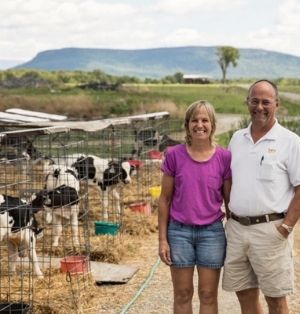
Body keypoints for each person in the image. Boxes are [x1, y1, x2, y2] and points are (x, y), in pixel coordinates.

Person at [222, 79, 300, 314]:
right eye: (254, 101)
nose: (259, 107)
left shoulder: (291, 142)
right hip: (237, 228)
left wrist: (286, 227)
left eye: (266, 102)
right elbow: (230, 181)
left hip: (271, 230)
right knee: (244, 293)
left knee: (275, 298)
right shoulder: (237, 138)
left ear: (277, 103)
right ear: (247, 102)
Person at [158, 100, 231, 314]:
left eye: (205, 120)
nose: (200, 125)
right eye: (195, 120)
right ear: (187, 125)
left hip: (212, 233)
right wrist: (163, 239)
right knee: (182, 294)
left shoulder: (224, 157)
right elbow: (164, 199)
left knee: (208, 295)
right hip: (179, 232)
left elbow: (229, 200)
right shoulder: (174, 155)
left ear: (212, 125)